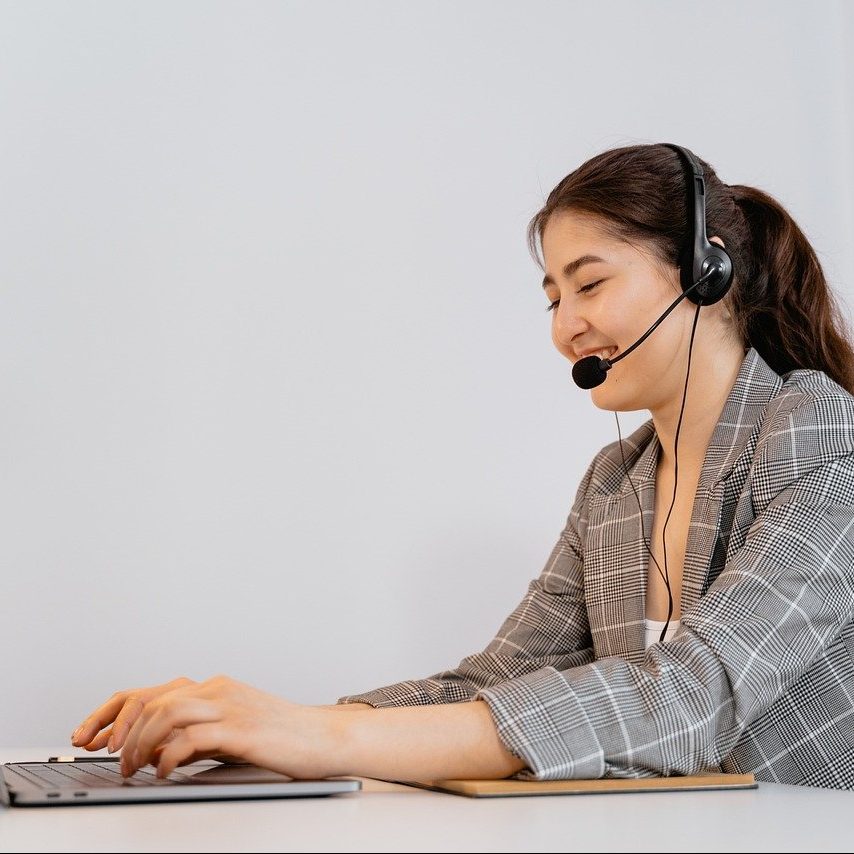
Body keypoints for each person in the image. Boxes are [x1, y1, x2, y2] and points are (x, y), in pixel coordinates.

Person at [70, 143, 854, 790]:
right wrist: (271, 730)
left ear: (707, 274)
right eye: (554, 299)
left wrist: (320, 739)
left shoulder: (820, 432)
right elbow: (495, 682)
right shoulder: (614, 483)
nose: (566, 329)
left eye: (589, 284)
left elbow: (695, 694)